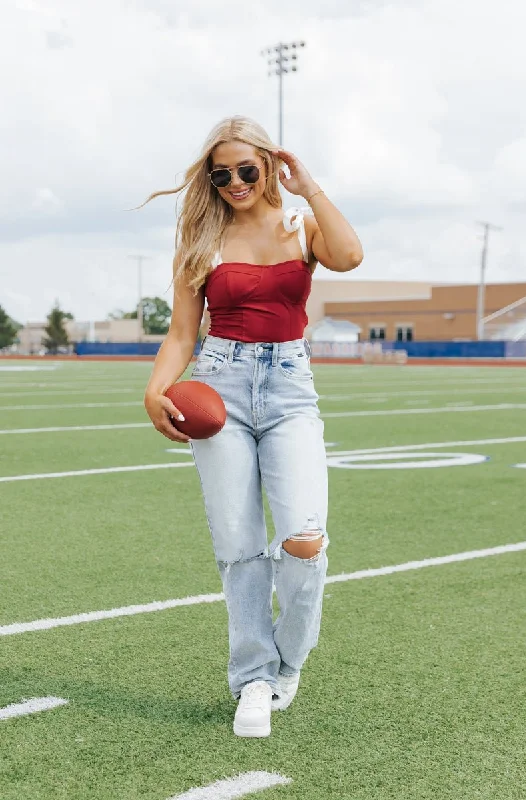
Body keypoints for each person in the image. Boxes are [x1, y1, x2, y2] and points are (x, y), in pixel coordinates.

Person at [143, 116, 363, 738]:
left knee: (303, 538)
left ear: (269, 165)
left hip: (290, 388)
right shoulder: (203, 238)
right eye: (221, 174)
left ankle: (288, 659)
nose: (234, 182)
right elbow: (183, 331)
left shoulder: (302, 224)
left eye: (246, 169)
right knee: (239, 547)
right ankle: (254, 679)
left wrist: (309, 186)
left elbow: (349, 256)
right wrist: (155, 388)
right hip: (221, 384)